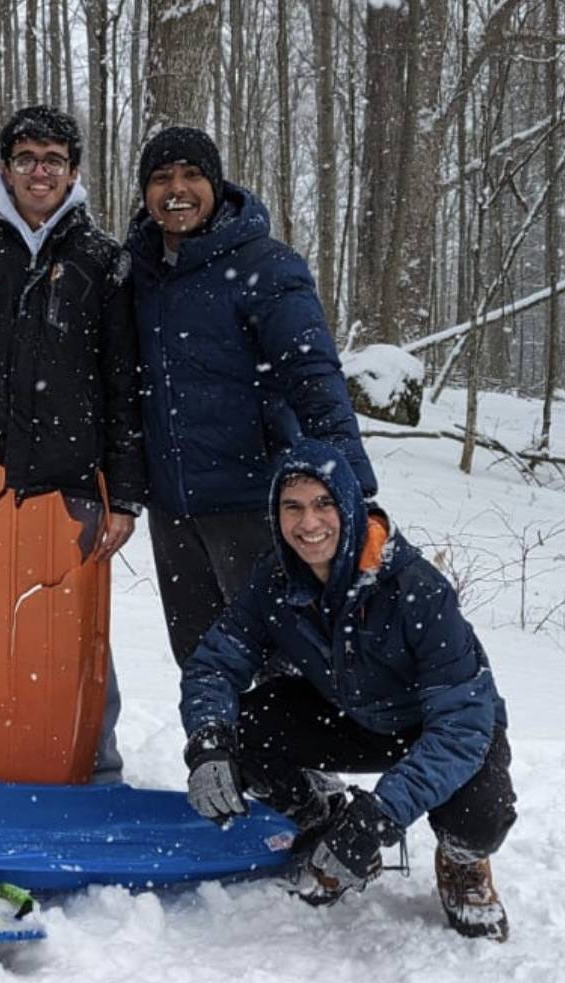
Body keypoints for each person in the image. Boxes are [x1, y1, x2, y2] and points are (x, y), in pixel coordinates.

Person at [180, 438, 516, 941]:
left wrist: (380, 817)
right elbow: (214, 665)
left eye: (323, 504)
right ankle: (323, 813)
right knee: (240, 731)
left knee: (480, 817)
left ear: (350, 506)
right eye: (292, 507)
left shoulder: (416, 588)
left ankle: (462, 863)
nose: (308, 523)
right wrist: (207, 741)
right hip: (354, 718)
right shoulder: (272, 580)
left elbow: (463, 722)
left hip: (443, 731)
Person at [0, 105, 146, 781]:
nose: (39, 171)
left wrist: (124, 492)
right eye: (26, 157)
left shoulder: (101, 261)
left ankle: (92, 768)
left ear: (73, 171)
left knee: (73, 630)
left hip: (70, 481)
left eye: (53, 159)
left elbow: (122, 383)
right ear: (5, 167)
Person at [125, 127, 378, 668]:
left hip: (254, 505)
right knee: (203, 665)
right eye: (161, 177)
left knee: (282, 666)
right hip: (173, 514)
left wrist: (354, 493)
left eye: (192, 175)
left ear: (216, 184)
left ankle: (293, 757)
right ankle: (216, 755)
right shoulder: (137, 274)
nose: (178, 188)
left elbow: (315, 378)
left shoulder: (264, 265)